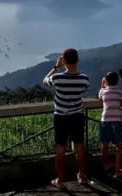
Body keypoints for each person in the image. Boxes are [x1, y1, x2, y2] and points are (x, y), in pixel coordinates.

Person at [43, 48, 90, 189]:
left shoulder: (57, 78)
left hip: (61, 117)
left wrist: (56, 67)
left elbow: (45, 80)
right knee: (80, 147)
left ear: (64, 61)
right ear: (77, 60)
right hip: (77, 115)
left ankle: (60, 180)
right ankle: (82, 176)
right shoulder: (84, 79)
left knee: (60, 149)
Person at [98, 72, 122, 177]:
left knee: (104, 144)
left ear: (106, 80)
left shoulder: (103, 91)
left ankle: (105, 165)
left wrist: (103, 83)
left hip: (105, 120)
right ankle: (117, 171)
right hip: (117, 121)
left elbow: (99, 96)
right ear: (117, 81)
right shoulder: (119, 92)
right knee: (118, 147)